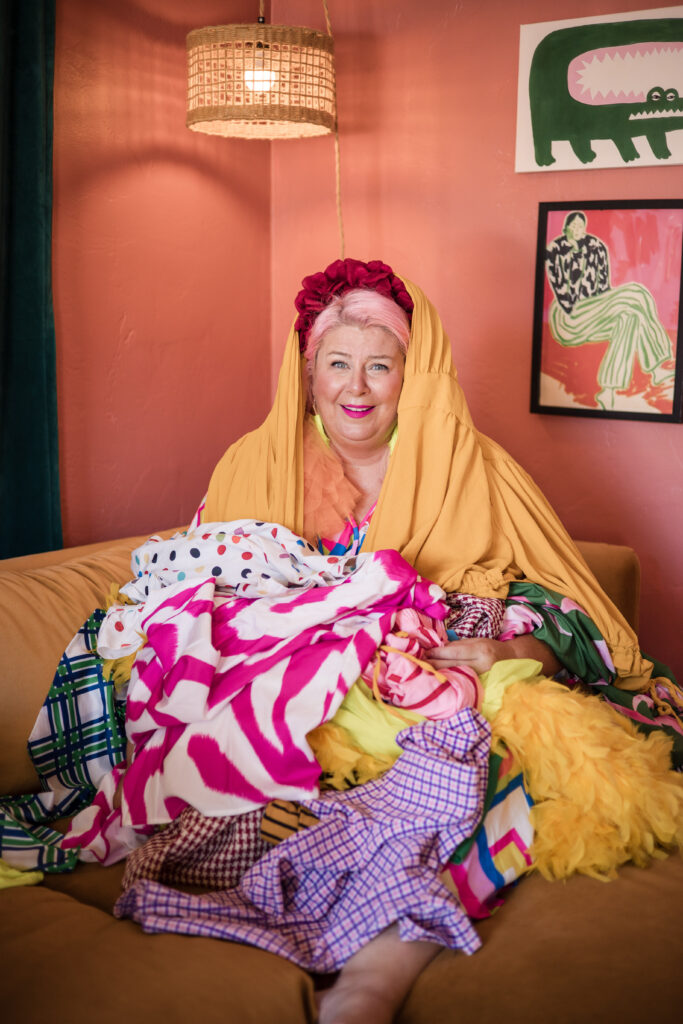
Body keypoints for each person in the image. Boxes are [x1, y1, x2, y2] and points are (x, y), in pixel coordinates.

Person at [4, 260, 681, 1024]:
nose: (356, 387)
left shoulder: (476, 467)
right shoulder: (253, 462)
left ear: (414, 375)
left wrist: (512, 653)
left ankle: (379, 968)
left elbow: (571, 608)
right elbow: (195, 589)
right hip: (296, 697)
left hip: (431, 685)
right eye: (336, 363)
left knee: (478, 765)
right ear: (307, 372)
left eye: (379, 365)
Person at [544, 210, 674, 411]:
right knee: (637, 293)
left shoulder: (595, 247)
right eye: (574, 225)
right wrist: (592, 301)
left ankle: (608, 391)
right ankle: (656, 367)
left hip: (596, 311)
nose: (578, 229)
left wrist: (602, 306)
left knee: (629, 318)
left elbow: (603, 288)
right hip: (568, 316)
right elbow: (563, 294)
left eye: (581, 225)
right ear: (566, 227)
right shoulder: (555, 250)